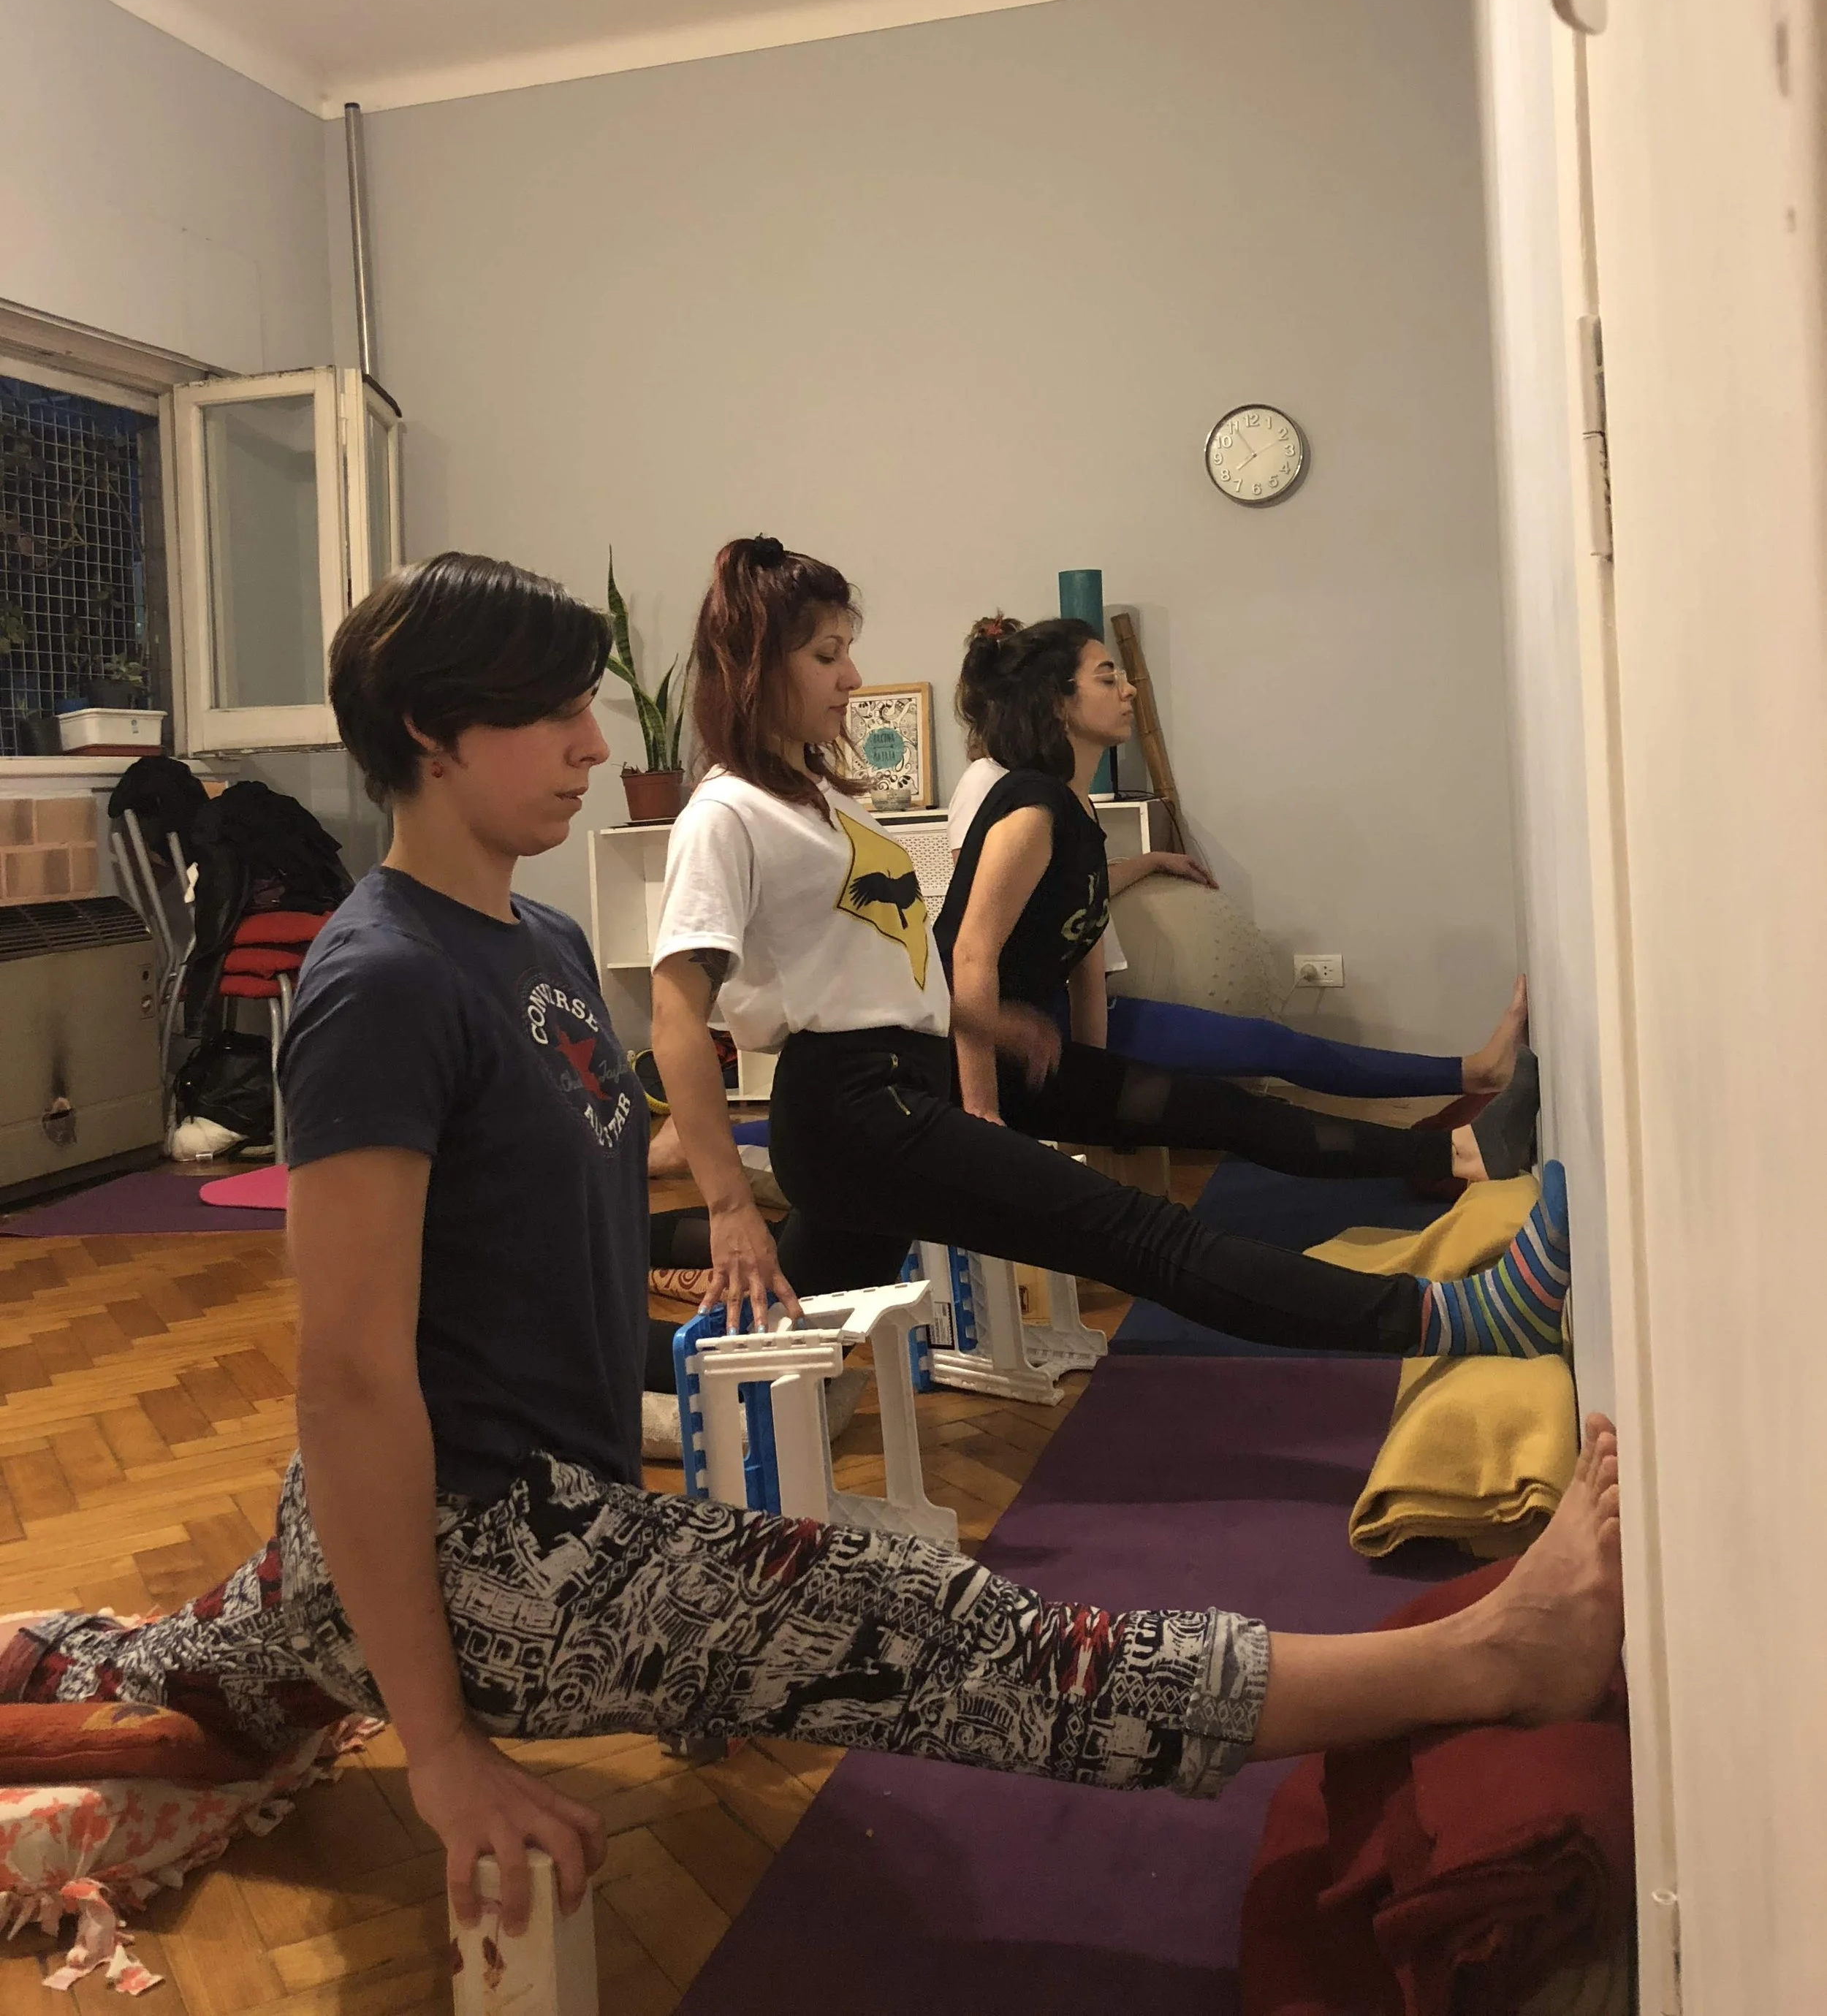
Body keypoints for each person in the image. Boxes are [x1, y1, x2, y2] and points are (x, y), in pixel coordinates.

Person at [7, 550, 1624, 1948]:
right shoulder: (376, 984)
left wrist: (745, 1180)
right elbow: (350, 1380)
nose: (592, 744)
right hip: (480, 1554)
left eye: (589, 702)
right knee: (956, 1632)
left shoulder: (541, 939)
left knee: (134, 1663)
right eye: (549, 715)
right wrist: (436, 1748)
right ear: (432, 735)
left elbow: (565, 1153)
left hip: (502, 1512)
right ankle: (1487, 1660)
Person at [650, 537, 1564, 1360]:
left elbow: (890, 960)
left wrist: (990, 1022)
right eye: (826, 655)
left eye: (846, 648)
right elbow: (676, 1020)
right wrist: (732, 1207)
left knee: (777, 1340)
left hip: (896, 1081)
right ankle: (1446, 1321)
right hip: (857, 1106)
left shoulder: (820, 797)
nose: (852, 677)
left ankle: (613, 1295)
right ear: (754, 670)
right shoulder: (726, 814)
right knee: (1135, 1233)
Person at [934, 614, 1540, 1187]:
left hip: (1052, 1045)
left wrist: (1096, 1078)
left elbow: (1083, 944)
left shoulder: (1078, 809)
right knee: (1234, 1111)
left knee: (1241, 1096)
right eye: (1106, 677)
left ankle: (1465, 1135)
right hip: (986, 1055)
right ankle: (1460, 1148)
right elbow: (968, 957)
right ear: (1059, 701)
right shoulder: (1029, 810)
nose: (1129, 691)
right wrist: (980, 1113)